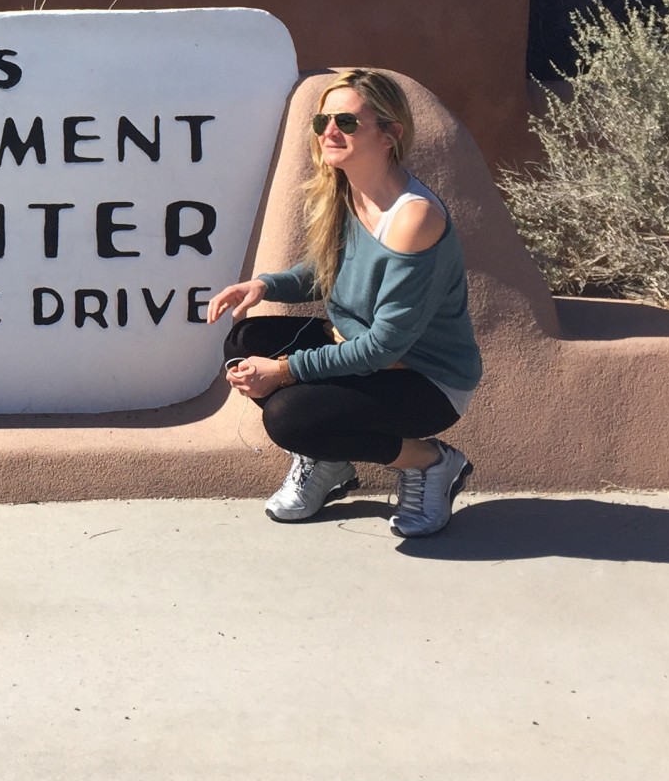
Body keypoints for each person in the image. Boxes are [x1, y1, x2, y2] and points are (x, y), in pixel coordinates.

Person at [206, 69, 482, 537]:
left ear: (390, 133)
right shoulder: (349, 192)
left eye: (347, 122)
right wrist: (265, 286)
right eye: (321, 122)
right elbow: (325, 271)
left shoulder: (413, 220)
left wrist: (287, 369)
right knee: (245, 340)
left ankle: (432, 462)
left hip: (423, 380)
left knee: (288, 415)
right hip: (361, 354)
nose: (328, 132)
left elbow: (383, 348)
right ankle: (330, 463)